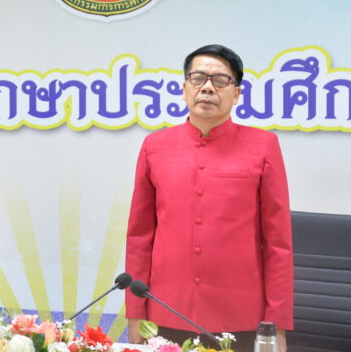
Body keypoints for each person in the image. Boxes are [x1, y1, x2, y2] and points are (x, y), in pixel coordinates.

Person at [125, 44, 293, 351]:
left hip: (240, 316)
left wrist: (276, 325)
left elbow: (278, 244)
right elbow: (139, 237)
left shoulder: (263, 146)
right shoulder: (154, 146)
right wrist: (135, 313)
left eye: (220, 80)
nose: (207, 87)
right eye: (198, 77)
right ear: (184, 88)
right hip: (166, 311)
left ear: (236, 94)